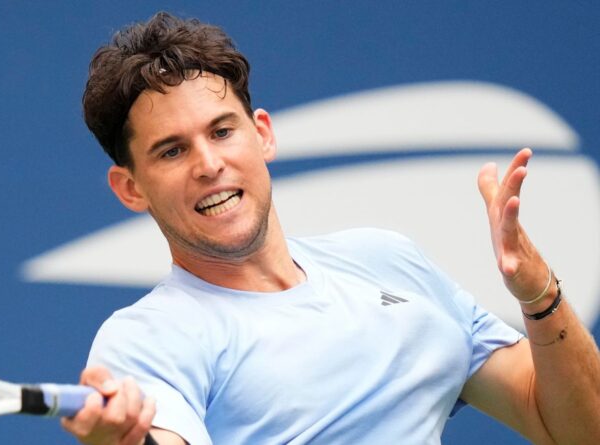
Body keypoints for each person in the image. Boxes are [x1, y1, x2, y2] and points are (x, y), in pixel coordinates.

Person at [61, 11, 600, 445]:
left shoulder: (386, 259)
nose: (208, 165)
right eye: (172, 150)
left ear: (262, 134)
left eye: (222, 131)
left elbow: (573, 430)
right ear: (130, 187)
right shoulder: (146, 339)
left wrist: (539, 294)